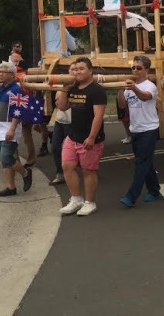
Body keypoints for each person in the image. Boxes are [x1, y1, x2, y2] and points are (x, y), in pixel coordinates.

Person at [56, 56, 107, 216]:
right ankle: (76, 199)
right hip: (73, 136)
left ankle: (90, 202)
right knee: (67, 167)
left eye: (81, 69)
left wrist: (92, 137)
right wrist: (65, 88)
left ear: (90, 71)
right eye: (75, 69)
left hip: (90, 138)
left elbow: (98, 116)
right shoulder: (73, 87)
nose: (77, 72)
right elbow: (62, 107)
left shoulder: (97, 90)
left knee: (88, 171)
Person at [118, 55, 161, 207]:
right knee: (146, 162)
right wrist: (120, 89)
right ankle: (154, 190)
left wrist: (133, 88)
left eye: (139, 68)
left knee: (141, 162)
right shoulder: (129, 87)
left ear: (146, 70)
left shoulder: (150, 86)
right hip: (135, 129)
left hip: (149, 129)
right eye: (133, 68)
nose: (135, 70)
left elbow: (144, 97)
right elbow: (123, 105)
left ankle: (131, 196)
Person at [0, 62, 33, 196]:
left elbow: (18, 111)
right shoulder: (0, 88)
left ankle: (25, 173)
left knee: (7, 157)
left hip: (9, 128)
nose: (0, 74)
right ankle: (10, 187)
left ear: (12, 75)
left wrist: (12, 129)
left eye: (3, 72)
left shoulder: (17, 89)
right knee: (4, 161)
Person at [49, 62, 77, 185]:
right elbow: (58, 103)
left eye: (77, 69)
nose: (74, 72)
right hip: (60, 120)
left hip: (73, 122)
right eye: (72, 69)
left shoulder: (80, 85)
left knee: (75, 149)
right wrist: (65, 88)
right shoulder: (63, 83)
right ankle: (60, 174)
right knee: (55, 147)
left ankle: (88, 170)